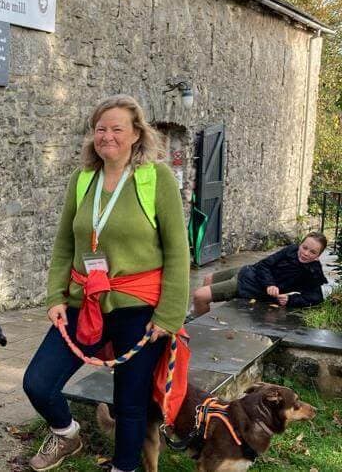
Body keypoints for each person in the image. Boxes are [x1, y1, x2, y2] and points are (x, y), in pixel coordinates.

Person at [23, 95, 189, 472]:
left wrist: (169, 315)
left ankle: (125, 466)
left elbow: (178, 251)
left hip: (138, 305)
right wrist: (55, 295)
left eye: (117, 128)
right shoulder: (83, 180)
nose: (107, 136)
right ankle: (67, 433)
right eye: (101, 129)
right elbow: (65, 243)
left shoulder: (155, 178)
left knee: (129, 401)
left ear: (135, 134)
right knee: (38, 380)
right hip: (85, 302)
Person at [192, 232, 328, 316]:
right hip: (249, 271)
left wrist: (291, 300)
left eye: (312, 252)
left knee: (199, 295)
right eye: (304, 247)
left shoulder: (313, 272)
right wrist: (270, 283)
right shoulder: (291, 250)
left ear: (318, 256)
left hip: (250, 286)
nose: (305, 253)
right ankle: (198, 316)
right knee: (208, 278)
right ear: (300, 245)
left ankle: (200, 330)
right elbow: (264, 264)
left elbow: (316, 297)